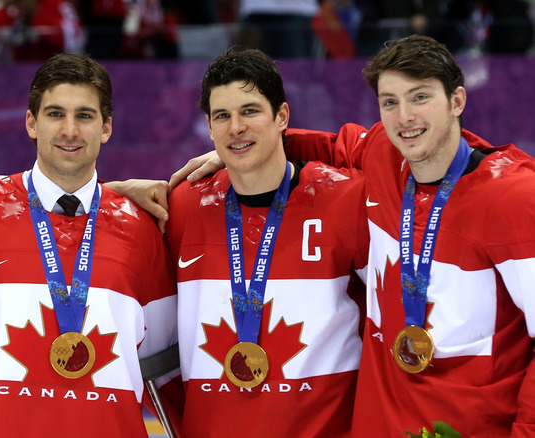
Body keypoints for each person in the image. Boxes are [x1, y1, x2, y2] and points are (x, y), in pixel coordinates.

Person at [169, 35, 535, 437]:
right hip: (383, 423)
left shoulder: (514, 197)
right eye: (390, 102)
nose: (405, 117)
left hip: (478, 425)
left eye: (420, 97)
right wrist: (242, 145)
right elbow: (335, 145)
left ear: (458, 101)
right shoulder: (383, 157)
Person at [0, 53, 178, 437]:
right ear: (31, 123)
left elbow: (162, 364)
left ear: (106, 127)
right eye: (55, 114)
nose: (69, 130)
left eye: (85, 116)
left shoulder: (142, 227)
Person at [165, 47, 369, 437]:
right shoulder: (183, 206)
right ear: (208, 127)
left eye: (250, 111)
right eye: (222, 116)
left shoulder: (348, 197)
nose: (235, 127)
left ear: (282, 116)